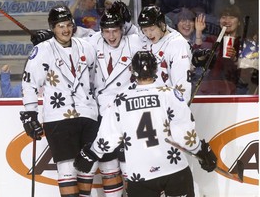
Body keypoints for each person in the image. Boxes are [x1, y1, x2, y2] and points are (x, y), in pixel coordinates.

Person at [73, 51, 217, 197]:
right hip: (174, 168)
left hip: (140, 172)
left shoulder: (121, 99)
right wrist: (200, 150)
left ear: (132, 70)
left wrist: (93, 152)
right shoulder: (169, 94)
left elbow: (109, 136)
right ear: (156, 69)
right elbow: (184, 135)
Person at [20, 5, 99, 197]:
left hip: (87, 114)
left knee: (88, 168)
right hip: (58, 118)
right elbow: (29, 82)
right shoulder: (42, 50)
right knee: (67, 171)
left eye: (68, 25)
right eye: (60, 26)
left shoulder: (87, 46)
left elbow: (96, 78)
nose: (65, 30)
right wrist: (30, 114)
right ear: (53, 28)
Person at [85, 4, 146, 197]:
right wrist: (44, 43)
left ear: (122, 29)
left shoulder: (134, 41)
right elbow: (69, 40)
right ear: (101, 31)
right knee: (108, 166)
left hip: (128, 112)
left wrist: (129, 22)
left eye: (115, 31)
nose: (111, 36)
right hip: (103, 113)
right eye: (107, 31)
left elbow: (154, 35)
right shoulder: (92, 42)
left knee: (130, 165)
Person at [137, 5, 193, 103]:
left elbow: (182, 85)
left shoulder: (177, 44)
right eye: (145, 30)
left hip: (167, 105)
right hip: (148, 103)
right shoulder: (145, 39)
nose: (148, 34)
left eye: (152, 29)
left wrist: (179, 109)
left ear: (162, 25)